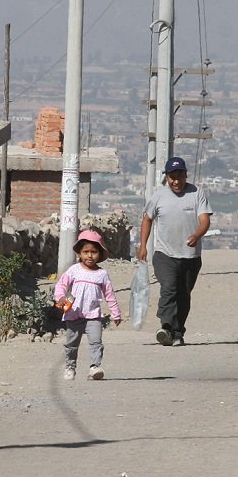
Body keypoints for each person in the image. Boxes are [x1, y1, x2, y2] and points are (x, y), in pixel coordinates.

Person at [137, 157, 213, 346]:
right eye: (172, 177)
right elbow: (147, 219)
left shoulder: (197, 194)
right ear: (167, 177)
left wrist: (196, 235)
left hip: (190, 256)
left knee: (183, 294)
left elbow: (205, 220)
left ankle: (178, 332)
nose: (176, 181)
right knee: (169, 288)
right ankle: (166, 327)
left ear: (186, 175)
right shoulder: (158, 196)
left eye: (179, 176)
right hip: (165, 254)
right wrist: (143, 245)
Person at [55, 229, 122, 380]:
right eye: (86, 252)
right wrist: (60, 297)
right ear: (79, 253)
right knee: (71, 344)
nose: (90, 255)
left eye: (94, 252)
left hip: (94, 315)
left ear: (100, 254)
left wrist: (115, 313)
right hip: (74, 314)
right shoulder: (74, 270)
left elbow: (109, 295)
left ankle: (95, 367)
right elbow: (61, 285)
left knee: (96, 342)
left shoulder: (102, 274)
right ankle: (70, 367)